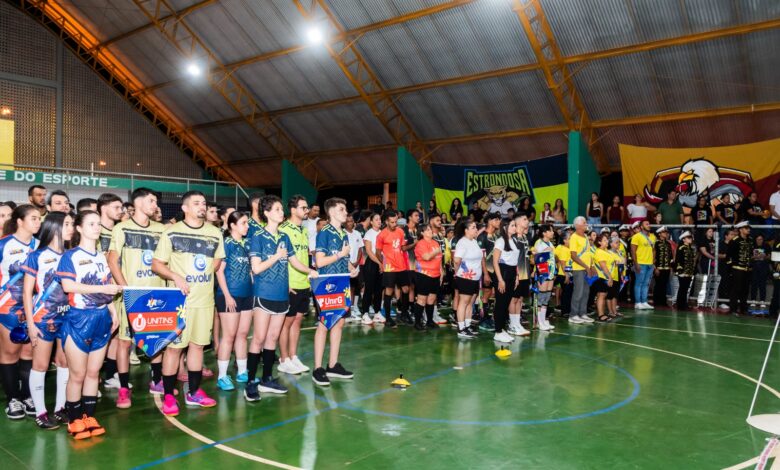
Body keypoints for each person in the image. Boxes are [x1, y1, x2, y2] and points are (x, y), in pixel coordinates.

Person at [152, 191, 225, 416]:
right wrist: (176, 276)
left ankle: (193, 392)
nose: (202, 206)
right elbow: (157, 264)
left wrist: (202, 274)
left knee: (197, 346)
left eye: (203, 203)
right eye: (196, 203)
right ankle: (169, 395)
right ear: (185, 208)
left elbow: (217, 260)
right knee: (174, 349)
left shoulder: (214, 232)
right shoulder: (171, 232)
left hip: (204, 301)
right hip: (179, 303)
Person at [57, 210, 121, 440]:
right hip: (78, 319)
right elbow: (68, 286)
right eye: (91, 224)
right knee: (78, 374)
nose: (97, 227)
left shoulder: (102, 257)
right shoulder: (70, 256)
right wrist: (103, 289)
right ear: (79, 228)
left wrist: (113, 310)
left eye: (98, 224)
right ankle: (74, 420)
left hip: (102, 318)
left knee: (93, 373)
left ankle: (89, 417)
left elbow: (106, 284)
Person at [244, 196, 316, 401]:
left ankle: (267, 379)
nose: (281, 212)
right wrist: (276, 256)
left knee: (272, 338)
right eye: (276, 209)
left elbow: (294, 261)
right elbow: (256, 268)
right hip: (263, 294)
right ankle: (250, 382)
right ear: (266, 213)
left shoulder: (284, 237)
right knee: (259, 338)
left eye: (281, 209)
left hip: (281, 294)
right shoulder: (257, 236)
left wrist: (310, 271)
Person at [107, 187, 167, 408]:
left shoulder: (161, 229)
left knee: (157, 342)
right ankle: (124, 388)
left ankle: (157, 380)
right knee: (124, 342)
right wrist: (126, 289)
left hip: (156, 295)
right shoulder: (121, 228)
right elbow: (112, 261)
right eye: (152, 201)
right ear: (138, 202)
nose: (155, 205)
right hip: (132, 295)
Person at [22, 212, 73, 429]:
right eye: (67, 224)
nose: (71, 228)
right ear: (54, 227)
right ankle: (41, 412)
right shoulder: (37, 256)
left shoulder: (72, 255)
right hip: (43, 318)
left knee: (64, 362)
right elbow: (26, 293)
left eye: (72, 223)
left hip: (68, 317)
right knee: (41, 365)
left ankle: (60, 408)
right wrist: (31, 324)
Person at [0, 205, 41, 420]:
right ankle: (12, 399)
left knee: (29, 353)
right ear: (19, 221)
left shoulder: (40, 246)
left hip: (34, 307)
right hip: (8, 306)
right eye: (33, 218)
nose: (38, 222)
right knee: (10, 353)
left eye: (39, 218)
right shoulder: (4, 245)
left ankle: (27, 396)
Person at [312, 198, 354, 386]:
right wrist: (340, 255)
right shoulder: (324, 233)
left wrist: (351, 267)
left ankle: (333, 365)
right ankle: (318, 368)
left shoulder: (343, 233)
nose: (346, 212)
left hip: (342, 281)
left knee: (339, 322)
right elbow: (319, 261)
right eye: (342, 209)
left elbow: (344, 258)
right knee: (324, 324)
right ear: (331, 212)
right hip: (326, 283)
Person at [214, 211, 252, 390]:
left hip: (247, 295)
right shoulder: (227, 244)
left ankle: (242, 372)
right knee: (228, 336)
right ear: (232, 226)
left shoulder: (246, 244)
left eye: (247, 223)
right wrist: (227, 295)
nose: (247, 226)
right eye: (243, 223)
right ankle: (222, 376)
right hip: (230, 296)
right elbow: (219, 271)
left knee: (243, 334)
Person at [278, 196, 315, 374]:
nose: (307, 211)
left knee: (298, 321)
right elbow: (282, 260)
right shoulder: (283, 230)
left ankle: (293, 356)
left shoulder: (304, 230)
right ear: (293, 210)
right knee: (286, 322)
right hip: (290, 283)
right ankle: (283, 359)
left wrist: (308, 277)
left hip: (303, 282)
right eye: (303, 207)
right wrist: (284, 282)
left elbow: (304, 256)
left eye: (307, 207)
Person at [375, 210, 409, 328]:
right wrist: (383, 263)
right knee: (389, 291)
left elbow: (403, 248)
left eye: (396, 222)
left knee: (405, 289)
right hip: (389, 268)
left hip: (401, 266)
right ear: (386, 222)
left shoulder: (400, 231)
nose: (394, 224)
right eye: (392, 222)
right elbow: (378, 252)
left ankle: (404, 314)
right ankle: (388, 318)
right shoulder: (381, 235)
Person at [452, 220, 483, 338]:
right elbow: (456, 261)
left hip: (475, 278)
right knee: (463, 302)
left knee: (470, 303)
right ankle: (461, 328)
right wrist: (458, 273)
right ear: (466, 230)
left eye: (476, 227)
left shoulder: (474, 241)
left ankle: (467, 325)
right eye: (473, 227)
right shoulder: (462, 242)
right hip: (465, 277)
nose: (476, 229)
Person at [492, 218, 520, 342]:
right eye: (513, 225)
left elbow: (515, 261)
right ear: (505, 227)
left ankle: (502, 329)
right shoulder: (500, 241)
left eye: (515, 225)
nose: (515, 227)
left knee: (506, 303)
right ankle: (498, 331)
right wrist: (500, 280)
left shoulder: (513, 240)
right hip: (503, 272)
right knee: (501, 303)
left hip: (512, 273)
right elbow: (495, 262)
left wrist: (517, 276)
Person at [508, 212, 536, 332]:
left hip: (525, 273)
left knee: (520, 299)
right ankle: (512, 324)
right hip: (516, 274)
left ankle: (517, 323)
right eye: (525, 219)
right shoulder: (513, 238)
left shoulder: (525, 237)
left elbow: (525, 254)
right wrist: (515, 274)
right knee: (513, 299)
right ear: (518, 222)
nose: (527, 221)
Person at [412, 224, 442, 331]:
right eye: (428, 230)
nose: (430, 231)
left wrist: (441, 272)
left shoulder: (435, 242)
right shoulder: (421, 244)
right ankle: (417, 322)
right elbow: (426, 257)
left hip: (435, 274)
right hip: (424, 275)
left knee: (432, 298)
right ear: (422, 233)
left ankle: (429, 321)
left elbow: (439, 259)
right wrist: (436, 251)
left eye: (430, 229)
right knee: (422, 299)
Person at [568, 216, 596, 324]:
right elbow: (573, 255)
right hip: (579, 269)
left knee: (585, 292)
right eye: (584, 223)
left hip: (587, 269)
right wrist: (586, 267)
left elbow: (589, 253)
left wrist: (591, 266)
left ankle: (582, 313)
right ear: (578, 225)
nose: (586, 224)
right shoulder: (574, 237)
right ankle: (573, 315)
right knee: (578, 292)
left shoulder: (585, 237)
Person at [476, 212, 500, 330]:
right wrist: (485, 274)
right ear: (489, 221)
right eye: (496, 220)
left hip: (496, 270)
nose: (498, 222)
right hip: (486, 270)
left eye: (499, 220)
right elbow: (481, 257)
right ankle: (482, 319)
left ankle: (490, 317)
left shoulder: (497, 236)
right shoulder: (482, 237)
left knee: (493, 294)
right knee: (485, 293)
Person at [532, 224, 557, 331]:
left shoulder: (550, 243)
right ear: (544, 233)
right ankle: (538, 322)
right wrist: (544, 251)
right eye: (550, 231)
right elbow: (535, 258)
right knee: (541, 297)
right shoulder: (539, 243)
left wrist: (554, 272)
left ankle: (543, 320)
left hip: (550, 272)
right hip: (543, 272)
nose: (552, 232)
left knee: (547, 297)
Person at [360, 213, 383, 325]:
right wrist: (379, 263)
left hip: (381, 262)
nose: (379, 221)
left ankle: (377, 312)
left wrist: (382, 263)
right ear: (372, 222)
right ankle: (365, 313)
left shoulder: (382, 233)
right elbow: (369, 251)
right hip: (372, 263)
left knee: (379, 289)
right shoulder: (369, 233)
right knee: (369, 289)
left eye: (380, 219)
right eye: (376, 219)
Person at [727, 221, 753, 315]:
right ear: (741, 230)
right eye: (746, 228)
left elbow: (750, 253)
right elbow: (728, 256)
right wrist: (731, 269)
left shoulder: (750, 240)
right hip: (737, 269)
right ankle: (733, 309)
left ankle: (743, 309)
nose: (748, 230)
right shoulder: (735, 240)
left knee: (745, 290)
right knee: (736, 289)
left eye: (748, 228)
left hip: (747, 269)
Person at [631, 219, 656, 309]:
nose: (649, 225)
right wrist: (636, 264)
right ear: (641, 227)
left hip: (650, 264)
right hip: (640, 263)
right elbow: (633, 251)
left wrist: (653, 262)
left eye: (649, 224)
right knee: (639, 283)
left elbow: (653, 250)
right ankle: (637, 303)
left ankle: (644, 302)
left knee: (646, 284)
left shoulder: (653, 237)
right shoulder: (636, 236)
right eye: (646, 224)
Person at [401, 209, 421, 325]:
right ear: (409, 217)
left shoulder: (419, 230)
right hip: (407, 263)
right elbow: (403, 248)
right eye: (416, 215)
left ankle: (412, 309)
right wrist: (415, 243)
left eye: (418, 215)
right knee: (406, 288)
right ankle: (404, 312)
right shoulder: (404, 230)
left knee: (413, 287)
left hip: (418, 264)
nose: (418, 217)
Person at [345, 215, 364, 322]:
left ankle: (352, 309)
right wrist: (349, 263)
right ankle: (346, 310)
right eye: (347, 221)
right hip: (345, 266)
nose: (349, 223)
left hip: (356, 266)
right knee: (346, 288)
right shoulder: (342, 233)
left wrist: (356, 262)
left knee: (354, 288)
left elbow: (360, 249)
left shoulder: (357, 233)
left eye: (351, 221)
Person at [592, 234, 615, 322]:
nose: (607, 241)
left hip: (605, 277)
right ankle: (601, 315)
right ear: (599, 242)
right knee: (601, 295)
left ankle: (602, 313)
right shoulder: (599, 252)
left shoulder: (605, 251)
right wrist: (609, 277)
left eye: (607, 240)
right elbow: (603, 266)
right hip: (602, 277)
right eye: (605, 240)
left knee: (603, 295)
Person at [674, 231, 696, 310]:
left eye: (691, 238)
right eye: (688, 238)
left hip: (689, 272)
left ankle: (684, 304)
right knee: (682, 288)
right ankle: (680, 305)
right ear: (684, 239)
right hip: (683, 272)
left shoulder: (690, 248)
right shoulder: (681, 248)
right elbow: (678, 260)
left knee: (686, 289)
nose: (691, 239)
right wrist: (680, 271)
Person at [554, 231, 573, 317]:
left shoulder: (568, 249)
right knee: (566, 293)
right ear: (565, 240)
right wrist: (567, 275)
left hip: (568, 273)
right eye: (570, 238)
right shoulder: (563, 249)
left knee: (568, 293)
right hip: (563, 274)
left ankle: (567, 310)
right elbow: (563, 263)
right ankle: (565, 311)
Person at [653, 226, 672, 307]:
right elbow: (653, 256)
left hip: (667, 268)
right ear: (659, 234)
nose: (666, 234)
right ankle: (657, 301)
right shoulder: (656, 243)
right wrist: (655, 267)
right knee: (658, 284)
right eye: (664, 232)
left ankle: (663, 301)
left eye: (666, 232)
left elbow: (670, 256)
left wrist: (670, 267)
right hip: (659, 267)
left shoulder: (668, 243)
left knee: (664, 284)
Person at [751, 234, 770, 307]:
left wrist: (764, 256)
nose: (759, 241)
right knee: (754, 284)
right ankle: (753, 300)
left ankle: (762, 301)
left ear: (763, 240)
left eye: (761, 239)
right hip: (754, 268)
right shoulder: (752, 246)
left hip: (763, 267)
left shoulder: (766, 246)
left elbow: (769, 256)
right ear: (755, 240)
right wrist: (754, 256)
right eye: (758, 239)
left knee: (762, 284)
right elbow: (749, 256)